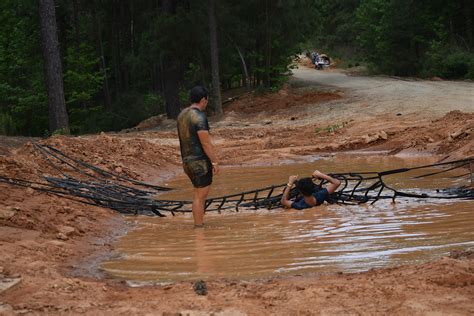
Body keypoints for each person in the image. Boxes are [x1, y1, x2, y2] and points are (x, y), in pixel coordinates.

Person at [177, 86, 219, 227]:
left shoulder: (182, 115)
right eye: (206, 100)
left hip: (186, 161)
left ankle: (199, 225)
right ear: (203, 100)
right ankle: (199, 228)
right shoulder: (199, 116)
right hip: (199, 162)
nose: (206, 103)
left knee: (197, 194)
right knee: (200, 196)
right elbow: (206, 143)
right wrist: (214, 162)